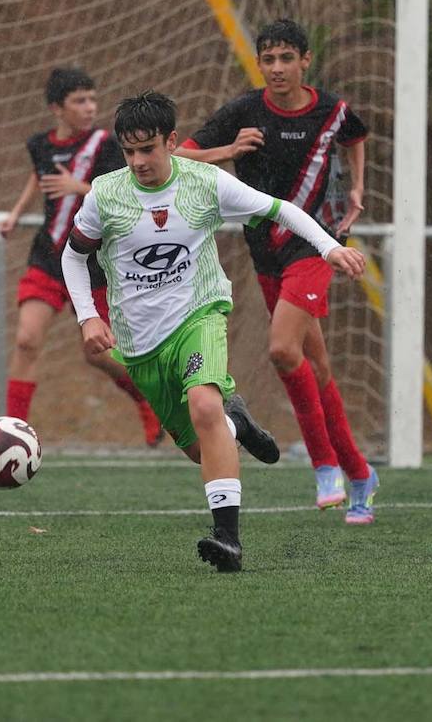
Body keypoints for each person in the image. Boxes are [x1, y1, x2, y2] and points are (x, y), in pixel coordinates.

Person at [63, 91, 369, 571]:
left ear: (170, 141)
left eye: (149, 149)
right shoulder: (106, 194)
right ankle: (238, 423)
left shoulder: (204, 183)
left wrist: (329, 248)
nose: (139, 162)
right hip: (141, 344)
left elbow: (280, 209)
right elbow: (73, 255)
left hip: (198, 316)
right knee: (202, 444)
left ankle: (228, 540)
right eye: (130, 152)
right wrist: (88, 316)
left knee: (204, 403)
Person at [176, 18, 377, 519]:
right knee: (316, 365)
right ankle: (360, 473)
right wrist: (227, 151)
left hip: (315, 245)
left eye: (287, 58)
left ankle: (324, 463)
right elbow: (180, 155)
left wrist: (356, 187)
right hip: (265, 251)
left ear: (305, 61)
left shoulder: (332, 110)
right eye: (269, 59)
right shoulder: (244, 110)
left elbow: (355, 137)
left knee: (283, 349)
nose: (278, 68)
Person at [0, 67, 162, 446]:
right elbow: (38, 178)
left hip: (92, 265)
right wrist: (16, 213)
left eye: (92, 99)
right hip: (48, 256)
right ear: (57, 108)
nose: (90, 108)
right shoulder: (41, 144)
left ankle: (146, 399)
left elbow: (127, 193)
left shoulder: (107, 145)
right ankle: (11, 438)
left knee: (100, 353)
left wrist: (79, 186)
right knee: (26, 339)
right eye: (79, 101)